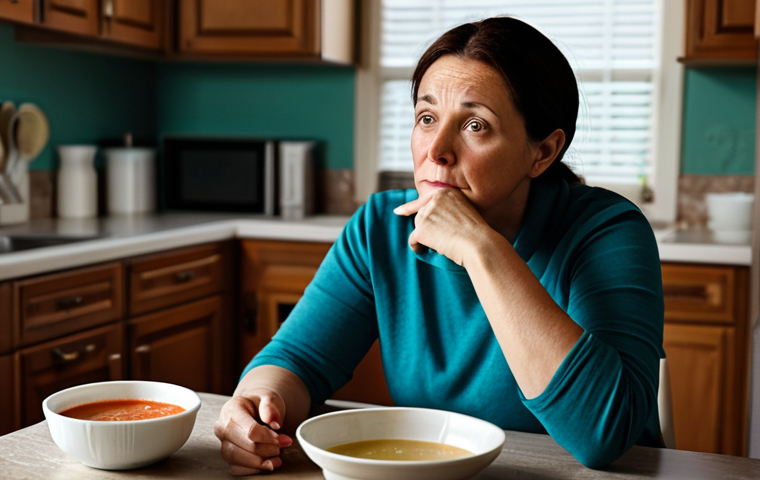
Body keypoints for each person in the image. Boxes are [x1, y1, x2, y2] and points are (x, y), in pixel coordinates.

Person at [214, 16, 665, 474]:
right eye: (427, 118)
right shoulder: (381, 226)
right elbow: (298, 359)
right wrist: (257, 401)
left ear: (543, 153)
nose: (437, 150)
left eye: (475, 125)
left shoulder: (608, 230)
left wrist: (479, 247)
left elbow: (602, 435)